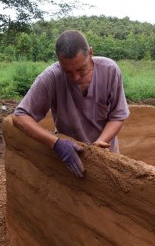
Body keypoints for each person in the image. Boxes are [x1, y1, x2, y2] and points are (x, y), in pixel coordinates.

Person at [12, 30, 129, 178]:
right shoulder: (51, 77)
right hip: (69, 158)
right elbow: (20, 116)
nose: (75, 77)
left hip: (105, 156)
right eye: (67, 72)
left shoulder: (109, 70)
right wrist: (56, 144)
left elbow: (117, 116)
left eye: (81, 69)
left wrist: (99, 144)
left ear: (91, 53)